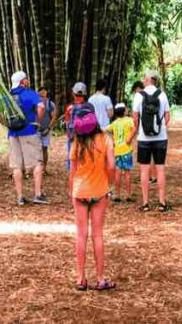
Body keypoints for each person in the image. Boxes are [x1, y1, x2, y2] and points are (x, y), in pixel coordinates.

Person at [68, 105, 116, 292]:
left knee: (81, 235)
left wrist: (71, 190)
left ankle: (81, 279)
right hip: (99, 191)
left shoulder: (76, 143)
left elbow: (72, 172)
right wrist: (109, 185)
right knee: (97, 235)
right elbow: (111, 166)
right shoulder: (105, 139)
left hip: (80, 192)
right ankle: (101, 279)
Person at [0, 71, 48, 206]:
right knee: (37, 163)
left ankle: (20, 197)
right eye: (26, 79)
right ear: (22, 82)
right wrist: (38, 121)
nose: (27, 81)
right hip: (29, 131)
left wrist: (6, 123)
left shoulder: (6, 96)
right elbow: (41, 107)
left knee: (16, 166)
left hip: (13, 134)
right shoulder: (30, 93)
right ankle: (37, 194)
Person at [132, 70, 171, 212]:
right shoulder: (162, 94)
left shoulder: (138, 96)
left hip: (143, 138)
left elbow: (135, 117)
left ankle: (145, 203)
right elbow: (167, 116)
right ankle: (162, 203)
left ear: (147, 79)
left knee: (144, 170)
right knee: (160, 168)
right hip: (160, 138)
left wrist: (138, 129)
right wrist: (161, 128)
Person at [108, 103, 134, 202]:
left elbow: (105, 130)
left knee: (118, 173)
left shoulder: (114, 123)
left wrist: (112, 140)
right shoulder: (129, 120)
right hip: (127, 150)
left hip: (117, 151)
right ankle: (128, 195)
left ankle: (117, 195)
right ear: (124, 111)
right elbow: (134, 127)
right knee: (127, 173)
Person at [64, 82, 88, 171]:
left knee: (71, 155)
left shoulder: (69, 107)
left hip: (71, 136)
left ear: (73, 94)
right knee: (83, 156)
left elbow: (67, 122)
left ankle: (72, 174)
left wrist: (69, 134)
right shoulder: (87, 107)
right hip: (83, 136)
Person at [38, 87, 57, 173]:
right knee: (36, 149)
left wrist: (48, 128)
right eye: (40, 91)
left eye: (44, 91)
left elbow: (54, 117)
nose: (42, 93)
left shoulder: (50, 104)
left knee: (44, 149)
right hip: (36, 130)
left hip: (46, 129)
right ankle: (38, 168)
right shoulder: (35, 103)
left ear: (46, 92)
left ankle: (44, 168)